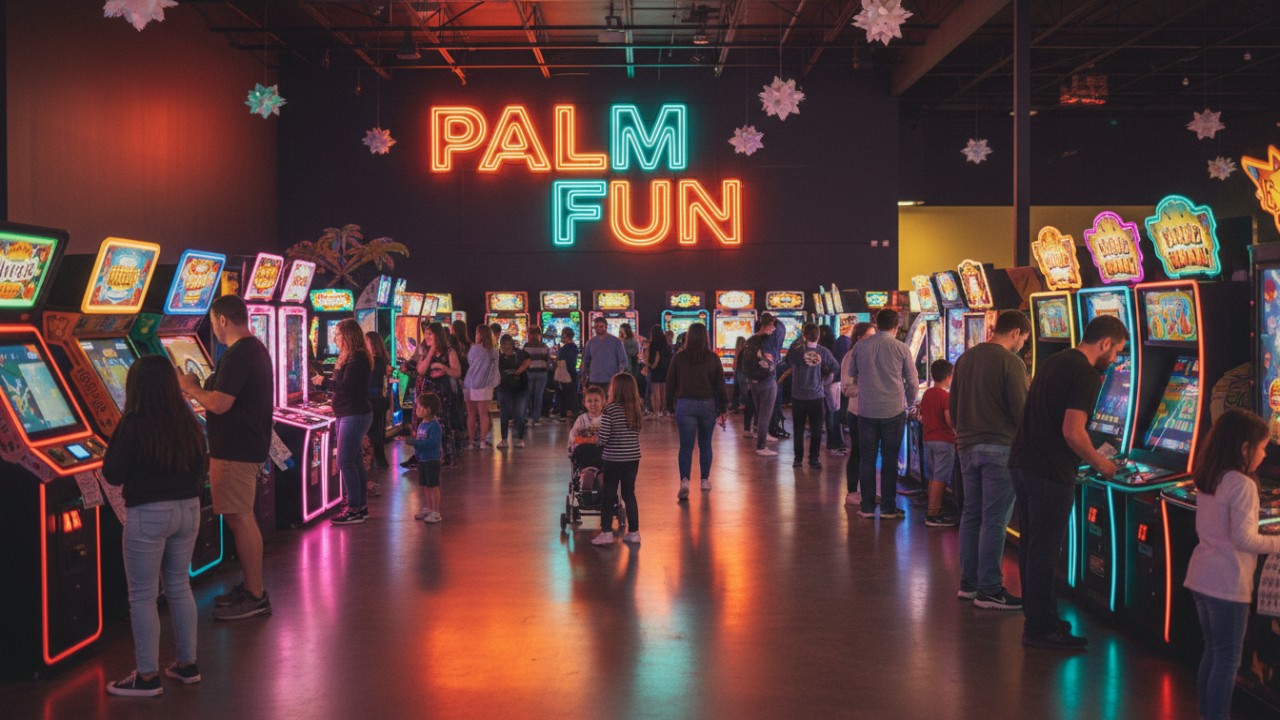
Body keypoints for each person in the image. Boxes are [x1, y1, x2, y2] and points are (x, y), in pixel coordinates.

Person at [1011, 315, 1125, 646]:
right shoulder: (1086, 375)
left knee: (1031, 547)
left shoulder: (1054, 360)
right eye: (1116, 351)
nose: (1116, 359)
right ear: (1105, 343)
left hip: (1024, 463)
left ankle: (1038, 619)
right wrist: (1101, 462)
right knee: (1045, 551)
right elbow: (1072, 431)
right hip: (1049, 471)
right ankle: (1040, 629)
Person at [103, 356, 207, 697]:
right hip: (188, 509)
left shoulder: (133, 423)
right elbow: (200, 467)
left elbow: (113, 472)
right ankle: (186, 665)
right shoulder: (187, 419)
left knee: (143, 597)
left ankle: (147, 676)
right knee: (179, 586)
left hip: (149, 513)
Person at [178, 294, 273, 621]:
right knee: (241, 517)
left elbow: (219, 403)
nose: (214, 330)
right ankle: (252, 586)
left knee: (240, 518)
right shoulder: (254, 349)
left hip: (236, 451)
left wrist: (189, 387)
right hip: (244, 448)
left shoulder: (239, 354)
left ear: (223, 320)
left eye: (214, 322)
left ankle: (255, 595)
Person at [1184, 409, 1280, 718]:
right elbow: (1245, 540)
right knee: (1228, 661)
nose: (1265, 455)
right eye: (1262, 447)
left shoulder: (1211, 475)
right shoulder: (1242, 484)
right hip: (1227, 584)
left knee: (1212, 653)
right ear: (1244, 448)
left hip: (1201, 576)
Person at [950, 309, 1031, 609]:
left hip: (966, 446)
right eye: (1024, 338)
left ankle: (968, 584)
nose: (1023, 344)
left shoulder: (965, 359)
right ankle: (989, 590)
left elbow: (954, 409)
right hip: (1000, 447)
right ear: (1015, 333)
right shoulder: (1012, 362)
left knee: (971, 515)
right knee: (994, 521)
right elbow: (1021, 412)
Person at [848, 309, 916, 517]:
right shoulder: (901, 348)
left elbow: (852, 374)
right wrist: (910, 403)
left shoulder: (860, 346)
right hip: (893, 410)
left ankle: (867, 507)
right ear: (896, 327)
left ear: (876, 324)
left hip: (866, 410)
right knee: (889, 460)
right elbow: (912, 382)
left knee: (867, 458)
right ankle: (888, 507)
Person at [316, 318, 374, 526]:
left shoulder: (357, 358)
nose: (336, 338)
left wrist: (324, 382)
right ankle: (360, 506)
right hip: (348, 413)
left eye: (339, 334)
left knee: (344, 461)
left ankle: (355, 509)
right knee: (354, 460)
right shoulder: (350, 356)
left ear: (349, 335)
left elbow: (347, 387)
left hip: (354, 414)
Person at [666, 323, 728, 499]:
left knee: (686, 446)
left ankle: (685, 481)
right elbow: (720, 384)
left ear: (688, 337)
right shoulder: (713, 358)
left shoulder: (679, 358)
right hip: (707, 404)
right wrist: (723, 407)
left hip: (685, 404)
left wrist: (670, 406)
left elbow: (670, 383)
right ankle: (704, 480)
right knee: (705, 444)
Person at [592, 373, 644, 546]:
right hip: (633, 457)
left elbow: (604, 437)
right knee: (629, 493)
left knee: (608, 494)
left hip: (613, 458)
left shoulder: (610, 409)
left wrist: (596, 438)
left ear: (616, 389)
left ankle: (606, 531)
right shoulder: (636, 408)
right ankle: (634, 532)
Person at [402, 323, 463, 469]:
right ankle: (421, 456)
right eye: (426, 334)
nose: (427, 337)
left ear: (438, 335)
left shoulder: (449, 352)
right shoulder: (425, 351)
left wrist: (443, 368)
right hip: (426, 392)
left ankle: (446, 457)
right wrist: (431, 352)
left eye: (430, 334)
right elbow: (421, 370)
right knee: (422, 424)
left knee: (442, 425)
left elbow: (458, 372)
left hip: (442, 394)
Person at [786, 323, 840, 469]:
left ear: (804, 335)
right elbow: (835, 367)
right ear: (818, 335)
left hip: (798, 396)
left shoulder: (797, 351)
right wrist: (824, 381)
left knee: (798, 429)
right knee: (816, 429)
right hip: (817, 396)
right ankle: (814, 459)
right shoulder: (823, 351)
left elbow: (787, 361)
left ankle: (798, 459)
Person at [839, 322, 876, 505]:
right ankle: (852, 491)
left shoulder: (874, 355)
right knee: (858, 452)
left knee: (870, 455)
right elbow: (846, 388)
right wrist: (868, 389)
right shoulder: (850, 356)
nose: (873, 339)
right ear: (859, 337)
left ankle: (868, 491)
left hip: (875, 411)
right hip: (857, 411)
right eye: (869, 335)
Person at [919, 359, 958, 527]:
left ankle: (931, 509)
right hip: (944, 441)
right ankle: (933, 514)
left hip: (928, 440)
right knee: (940, 479)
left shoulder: (928, 393)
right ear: (949, 377)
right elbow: (949, 421)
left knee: (933, 476)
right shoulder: (946, 396)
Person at [740, 314, 785, 455]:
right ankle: (761, 446)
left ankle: (762, 437)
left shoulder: (751, 340)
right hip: (766, 380)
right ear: (768, 325)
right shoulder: (769, 341)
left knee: (761, 413)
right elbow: (781, 329)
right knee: (765, 414)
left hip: (753, 382)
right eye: (772, 326)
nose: (774, 329)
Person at [463, 325, 499, 449]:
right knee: (483, 414)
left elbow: (469, 362)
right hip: (485, 384)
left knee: (471, 414)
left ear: (479, 334)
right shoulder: (494, 350)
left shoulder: (474, 349)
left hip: (470, 383)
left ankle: (471, 443)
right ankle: (483, 442)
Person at [411, 393, 444, 523]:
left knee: (433, 485)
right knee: (426, 485)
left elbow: (432, 444)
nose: (417, 410)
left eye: (419, 408)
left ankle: (436, 511)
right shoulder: (422, 424)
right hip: (422, 460)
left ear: (428, 409)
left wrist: (415, 443)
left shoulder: (434, 426)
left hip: (431, 460)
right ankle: (430, 509)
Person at [495, 334, 531, 449]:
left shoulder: (520, 354)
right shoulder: (499, 357)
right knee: (504, 414)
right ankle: (504, 439)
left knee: (519, 414)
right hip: (504, 389)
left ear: (512, 344)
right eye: (504, 345)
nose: (506, 348)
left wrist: (519, 371)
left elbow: (528, 360)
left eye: (508, 345)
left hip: (520, 389)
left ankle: (519, 438)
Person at [364, 331, 391, 472]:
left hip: (372, 399)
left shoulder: (373, 361)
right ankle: (379, 460)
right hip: (379, 399)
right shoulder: (381, 360)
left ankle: (373, 461)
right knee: (378, 432)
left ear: (372, 344)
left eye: (366, 341)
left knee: (372, 433)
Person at [818, 324, 846, 454]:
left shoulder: (821, 349)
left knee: (831, 412)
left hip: (825, 382)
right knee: (833, 412)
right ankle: (834, 442)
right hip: (833, 381)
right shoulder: (835, 346)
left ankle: (833, 441)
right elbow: (836, 366)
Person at [582, 316, 628, 391]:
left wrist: (618, 376)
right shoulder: (590, 342)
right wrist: (584, 375)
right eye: (596, 327)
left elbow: (623, 361)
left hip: (610, 379)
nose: (598, 329)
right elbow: (586, 361)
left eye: (601, 326)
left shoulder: (616, 341)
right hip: (594, 379)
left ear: (606, 327)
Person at [568, 385, 607, 458]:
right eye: (589, 401)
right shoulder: (582, 419)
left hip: (602, 451)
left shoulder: (606, 418)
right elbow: (573, 435)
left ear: (603, 401)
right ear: (584, 403)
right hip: (585, 449)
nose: (593, 404)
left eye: (596, 400)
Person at [523, 326, 551, 425]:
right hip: (542, 373)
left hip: (529, 373)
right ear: (540, 334)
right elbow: (549, 362)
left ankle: (525, 417)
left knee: (527, 395)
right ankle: (536, 418)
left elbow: (523, 360)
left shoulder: (526, 346)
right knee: (538, 396)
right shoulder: (544, 346)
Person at [644, 325, 672, 419]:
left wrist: (651, 365)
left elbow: (654, 357)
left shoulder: (653, 344)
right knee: (663, 391)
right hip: (665, 369)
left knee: (655, 392)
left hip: (656, 369)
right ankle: (664, 410)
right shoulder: (666, 344)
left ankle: (656, 412)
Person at [555, 327, 580, 421]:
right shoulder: (574, 347)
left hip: (564, 373)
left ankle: (564, 413)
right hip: (572, 372)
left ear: (565, 336)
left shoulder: (564, 349)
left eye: (562, 335)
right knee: (572, 393)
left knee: (562, 394)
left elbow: (559, 360)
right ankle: (573, 411)